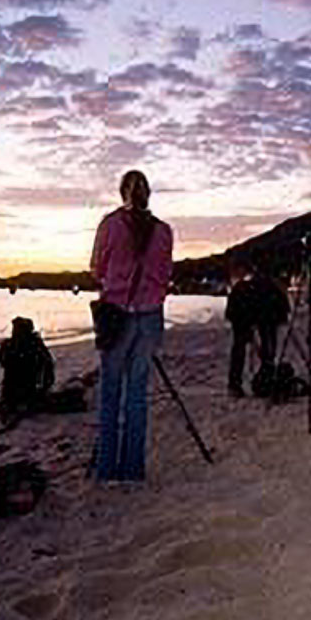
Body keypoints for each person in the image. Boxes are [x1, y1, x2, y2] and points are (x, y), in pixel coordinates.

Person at [89, 170, 173, 482]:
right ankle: (133, 469)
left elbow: (97, 269)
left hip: (116, 315)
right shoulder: (164, 231)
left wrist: (118, 282)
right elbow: (165, 276)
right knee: (137, 394)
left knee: (110, 392)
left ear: (123, 193)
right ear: (148, 194)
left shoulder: (110, 224)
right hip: (150, 317)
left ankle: (106, 469)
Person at [224, 258, 290, 398]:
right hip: (249, 313)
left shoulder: (244, 288)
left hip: (248, 312)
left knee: (242, 347)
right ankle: (262, 377)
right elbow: (281, 315)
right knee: (264, 346)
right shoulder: (272, 289)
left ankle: (238, 384)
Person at [0, 316, 55, 415]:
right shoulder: (10, 345)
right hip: (14, 388)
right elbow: (0, 360)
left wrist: (44, 386)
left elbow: (47, 363)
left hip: (30, 386)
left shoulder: (34, 344)